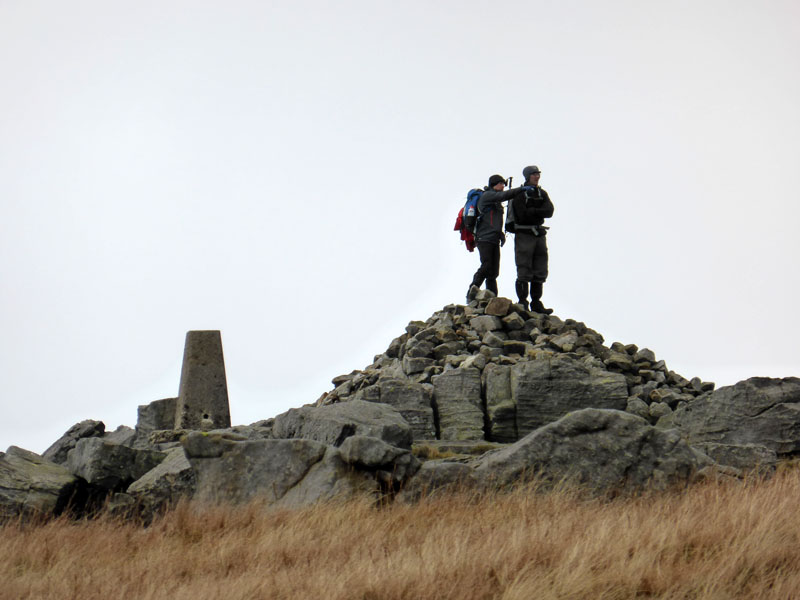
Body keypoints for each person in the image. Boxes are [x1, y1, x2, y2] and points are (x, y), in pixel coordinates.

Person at [467, 174, 529, 302]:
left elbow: (494, 220)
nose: (503, 186)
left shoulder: (496, 202)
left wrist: (500, 234)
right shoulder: (488, 196)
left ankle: (492, 297)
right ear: (494, 184)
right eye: (501, 184)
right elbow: (503, 196)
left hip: (493, 238)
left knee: (494, 271)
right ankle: (472, 289)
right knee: (487, 265)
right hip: (484, 238)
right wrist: (520, 190)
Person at [510, 165, 554, 313]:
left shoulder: (542, 193)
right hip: (524, 234)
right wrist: (539, 212)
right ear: (528, 176)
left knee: (540, 269)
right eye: (534, 174)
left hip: (538, 235)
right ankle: (523, 302)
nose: (537, 176)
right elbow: (522, 215)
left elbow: (550, 211)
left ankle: (536, 303)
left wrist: (533, 211)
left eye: (538, 174)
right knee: (524, 268)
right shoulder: (520, 194)